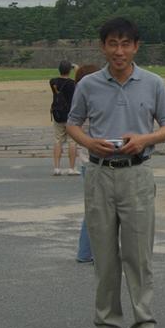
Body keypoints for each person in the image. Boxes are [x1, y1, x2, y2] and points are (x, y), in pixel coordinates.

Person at [66, 17, 165, 328]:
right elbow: (72, 123)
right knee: (103, 257)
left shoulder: (153, 83)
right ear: (103, 47)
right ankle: (107, 327)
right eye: (112, 44)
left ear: (136, 47)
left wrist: (144, 139)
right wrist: (89, 143)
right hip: (99, 174)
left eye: (125, 44)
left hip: (136, 174)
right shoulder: (88, 85)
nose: (119, 51)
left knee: (138, 255)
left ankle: (144, 326)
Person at [70, 63, 101, 264]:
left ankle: (86, 251)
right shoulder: (91, 100)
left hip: (86, 161)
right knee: (97, 210)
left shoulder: (80, 99)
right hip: (93, 162)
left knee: (94, 209)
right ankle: (90, 252)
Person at [49, 60, 78, 176]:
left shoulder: (53, 82)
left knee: (58, 140)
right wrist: (76, 68)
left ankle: (57, 167)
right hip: (70, 115)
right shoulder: (72, 84)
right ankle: (71, 168)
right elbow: (81, 80)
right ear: (69, 70)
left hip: (58, 114)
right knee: (72, 141)